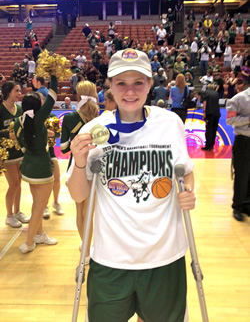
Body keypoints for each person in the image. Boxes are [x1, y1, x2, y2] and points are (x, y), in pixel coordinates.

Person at [66, 48, 195, 322]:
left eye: (138, 82)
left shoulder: (170, 124)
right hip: (110, 258)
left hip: (165, 257)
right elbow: (78, 194)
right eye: (121, 83)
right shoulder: (94, 130)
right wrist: (78, 161)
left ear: (150, 84)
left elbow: (185, 172)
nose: (130, 91)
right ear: (110, 87)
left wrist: (189, 192)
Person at [14, 75, 59, 253]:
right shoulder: (39, 119)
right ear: (37, 107)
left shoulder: (20, 121)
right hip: (42, 168)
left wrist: (41, 136)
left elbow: (20, 138)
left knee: (36, 203)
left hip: (28, 168)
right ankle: (29, 242)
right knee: (40, 208)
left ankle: (39, 235)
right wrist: (54, 76)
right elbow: (53, 96)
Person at [60, 81, 99, 257]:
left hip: (77, 166)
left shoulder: (69, 119)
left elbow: (63, 149)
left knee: (79, 210)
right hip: (97, 167)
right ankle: (92, 245)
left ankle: (85, 247)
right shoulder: (101, 117)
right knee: (90, 210)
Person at [0, 82, 30, 228]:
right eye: (16, 91)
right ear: (8, 92)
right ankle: (9, 215)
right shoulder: (0, 109)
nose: (19, 93)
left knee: (19, 182)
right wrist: (8, 134)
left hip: (19, 151)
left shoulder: (19, 109)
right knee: (14, 184)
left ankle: (17, 211)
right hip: (6, 153)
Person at [226, 76, 250, 221]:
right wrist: (248, 120)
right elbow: (229, 120)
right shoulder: (238, 99)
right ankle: (238, 206)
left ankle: (247, 204)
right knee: (242, 175)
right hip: (243, 142)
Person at [201, 83, 221, 151]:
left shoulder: (205, 93)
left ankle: (208, 146)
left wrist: (204, 112)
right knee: (214, 129)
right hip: (217, 113)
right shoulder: (216, 93)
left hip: (209, 112)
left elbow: (205, 102)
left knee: (208, 129)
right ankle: (212, 145)